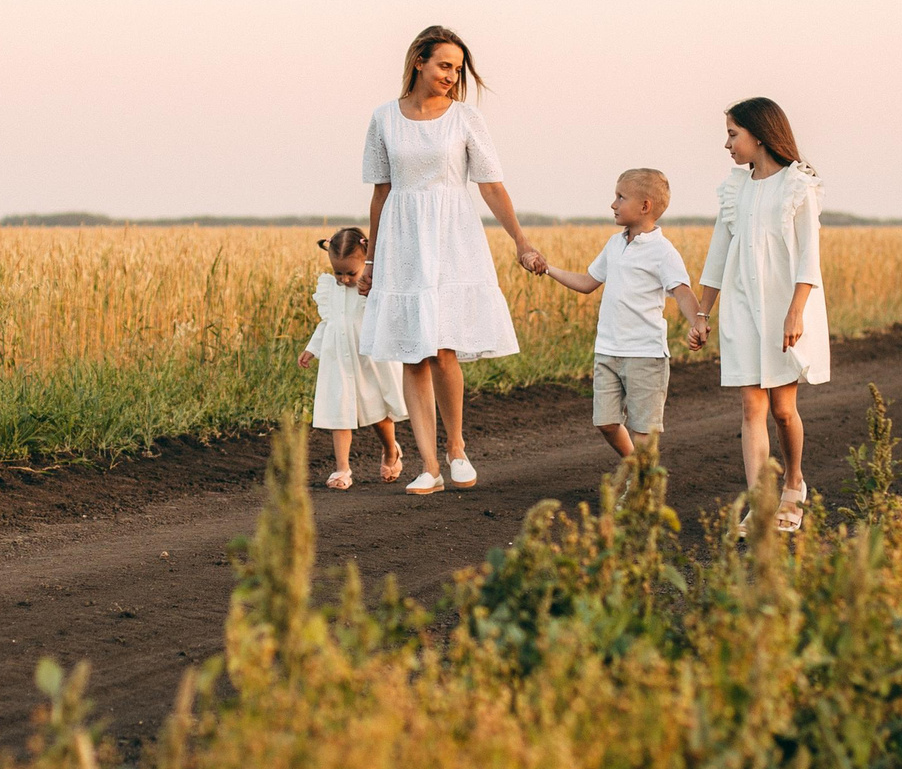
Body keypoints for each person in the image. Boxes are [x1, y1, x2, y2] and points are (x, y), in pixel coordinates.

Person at [357, 24, 545, 495]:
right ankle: (428, 465)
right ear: (418, 61)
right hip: (402, 239)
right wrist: (374, 263)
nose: (451, 75)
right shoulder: (383, 118)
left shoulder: (465, 119)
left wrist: (521, 242)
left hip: (452, 236)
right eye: (444, 65)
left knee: (443, 350)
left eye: (457, 69)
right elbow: (381, 194)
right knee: (411, 353)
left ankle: (457, 449)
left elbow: (491, 184)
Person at [695, 97, 830, 532]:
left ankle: (793, 483)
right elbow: (718, 255)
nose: (727, 143)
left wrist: (796, 313)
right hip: (740, 304)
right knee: (752, 405)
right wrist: (702, 312)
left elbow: (809, 256)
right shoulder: (736, 188)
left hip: (783, 307)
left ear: (759, 134)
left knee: (783, 409)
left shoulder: (798, 184)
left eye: (733, 134)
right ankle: (761, 504)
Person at [527, 168, 705, 457]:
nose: (613, 204)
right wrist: (548, 268)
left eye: (621, 197)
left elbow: (682, 291)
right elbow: (587, 282)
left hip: (646, 355)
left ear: (645, 206)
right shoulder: (614, 244)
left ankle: (641, 491)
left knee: (644, 430)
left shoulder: (663, 251)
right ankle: (637, 469)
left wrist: (698, 322)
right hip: (608, 351)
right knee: (606, 422)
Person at [298, 227, 406, 489]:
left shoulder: (373, 287)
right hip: (338, 359)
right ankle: (342, 469)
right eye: (338, 272)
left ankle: (391, 451)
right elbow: (328, 323)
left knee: (378, 413)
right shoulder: (329, 289)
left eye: (350, 273)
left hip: (368, 359)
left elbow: (388, 318)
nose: (344, 279)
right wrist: (312, 348)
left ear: (365, 263)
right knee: (339, 412)